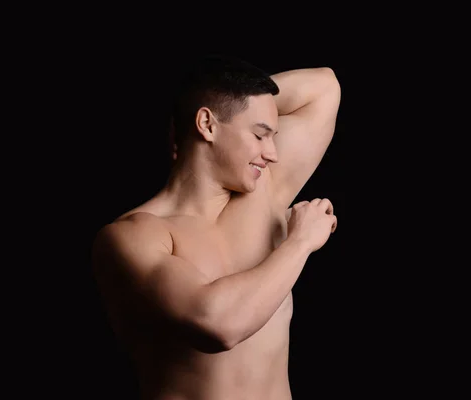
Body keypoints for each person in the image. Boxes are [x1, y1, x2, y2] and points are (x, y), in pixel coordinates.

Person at [91, 55, 341, 400]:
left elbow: (325, 86)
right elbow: (219, 326)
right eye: (259, 135)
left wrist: (241, 102)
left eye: (273, 137)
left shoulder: (263, 195)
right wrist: (299, 242)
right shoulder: (133, 236)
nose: (273, 155)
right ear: (206, 124)